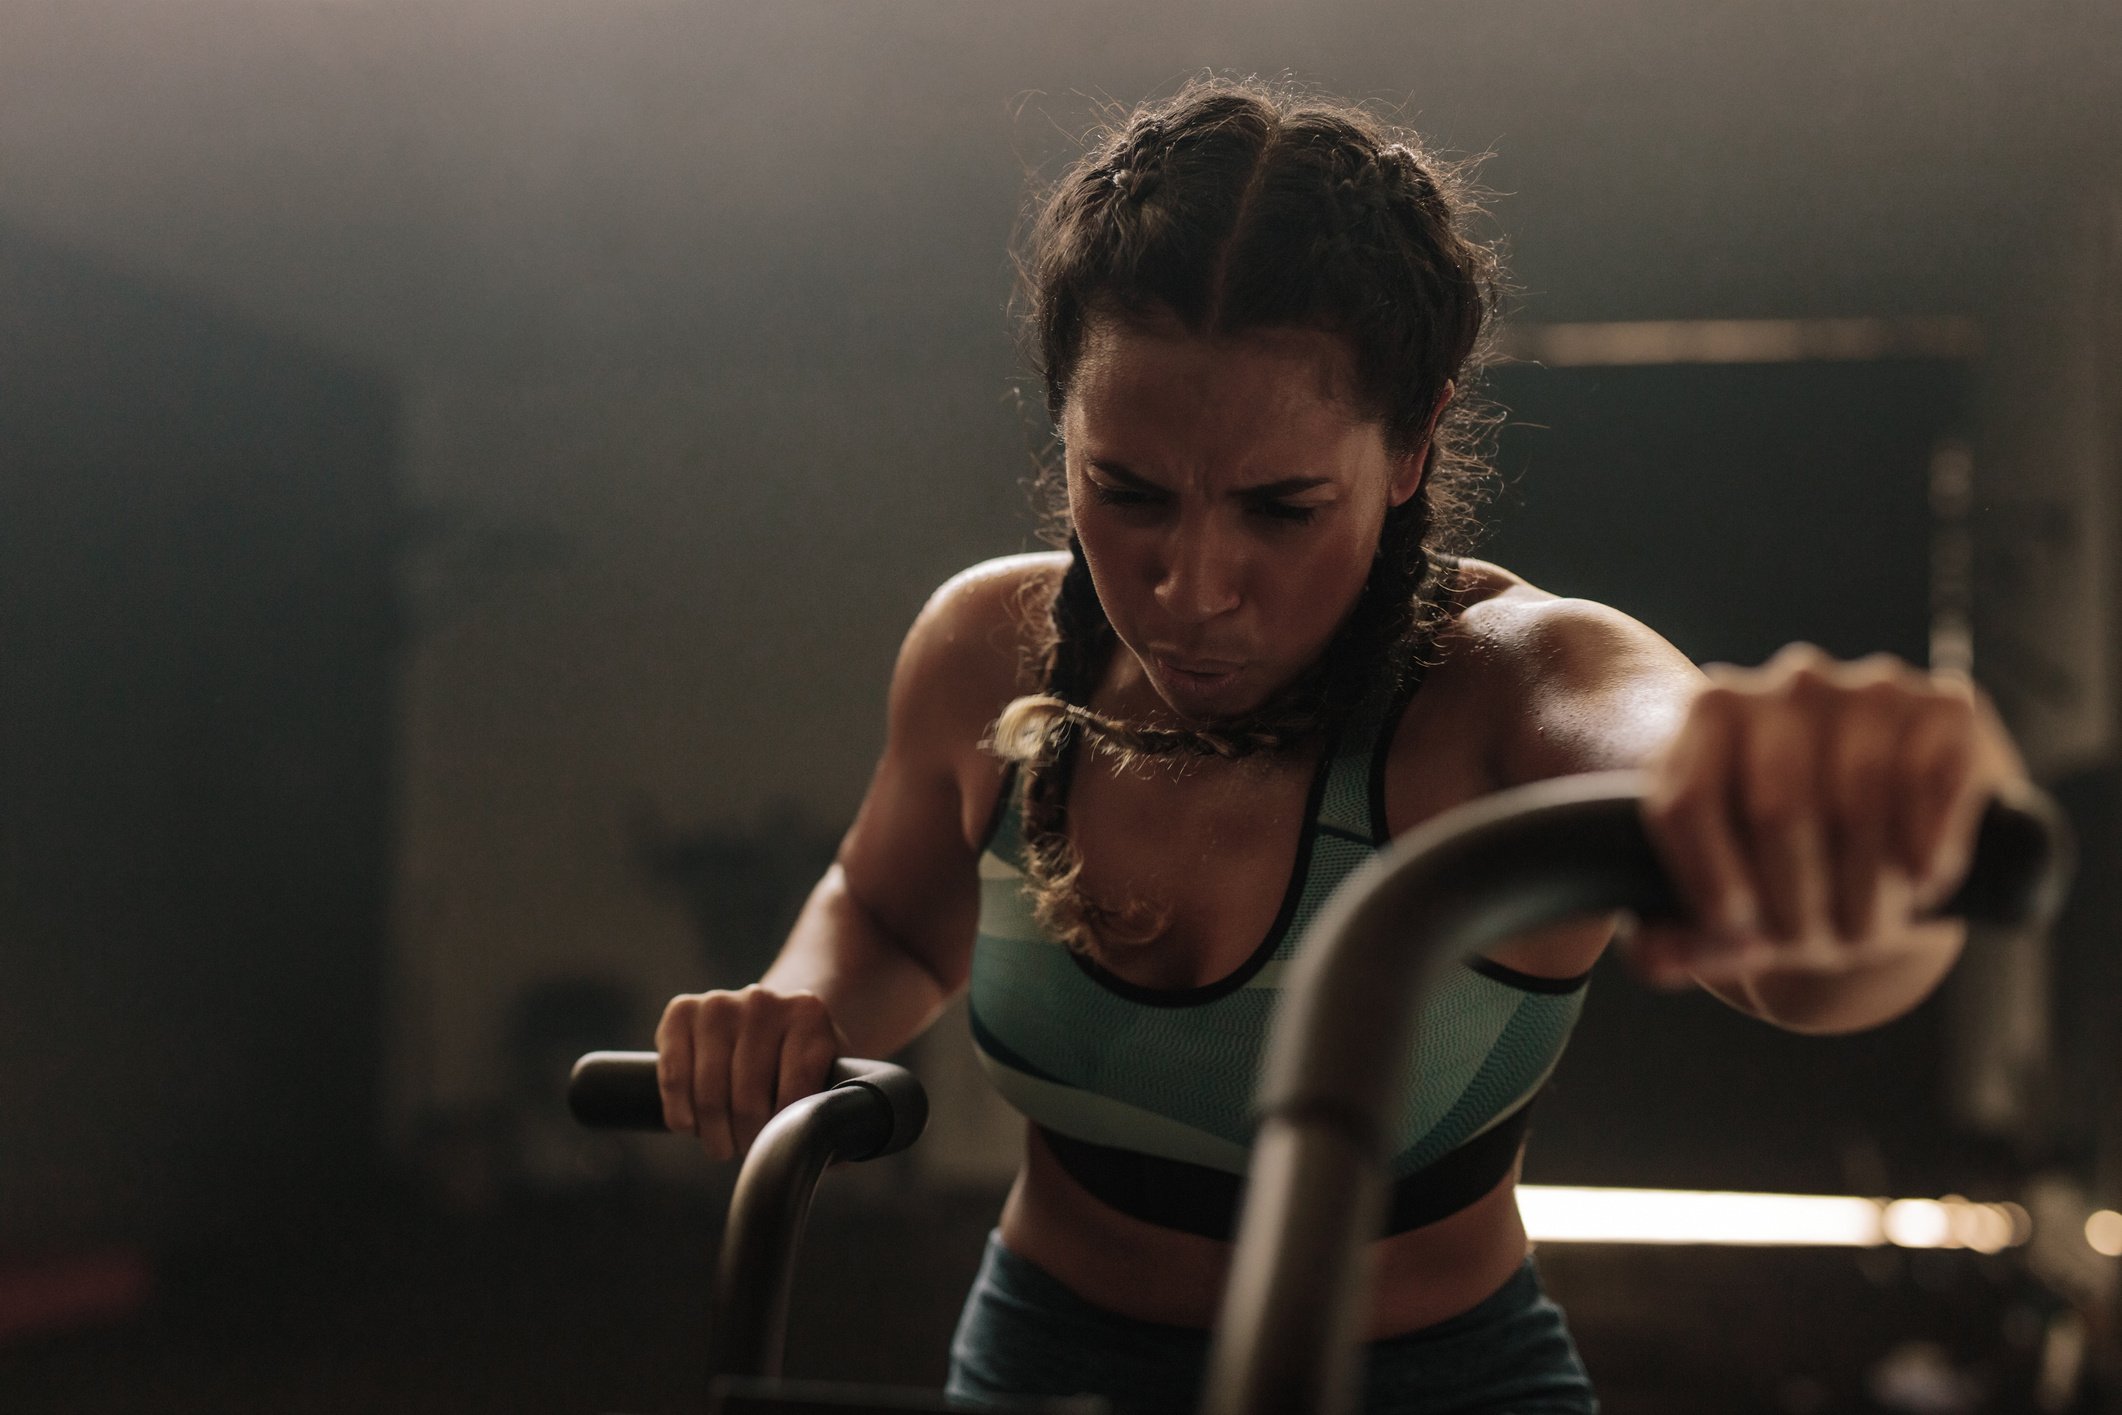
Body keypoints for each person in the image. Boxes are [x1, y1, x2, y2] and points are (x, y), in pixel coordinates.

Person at [654, 78, 2028, 1414]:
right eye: (1122, 492)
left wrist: (1868, 808)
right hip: (1041, 1359)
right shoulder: (983, 645)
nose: (1189, 587)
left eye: (1280, 508)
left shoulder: (1511, 687)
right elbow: (891, 918)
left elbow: (1783, 925)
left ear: (1413, 442)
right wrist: (795, 1005)